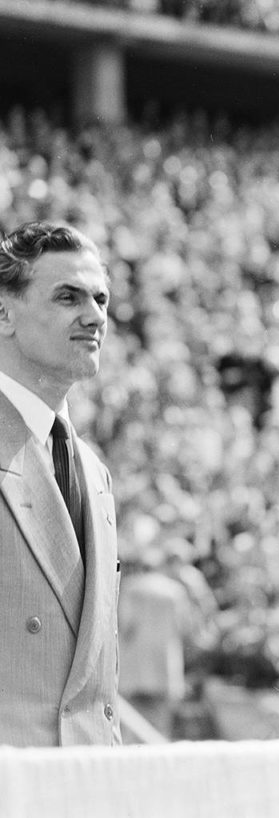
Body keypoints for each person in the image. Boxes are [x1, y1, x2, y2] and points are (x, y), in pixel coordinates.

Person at [0, 221, 121, 747]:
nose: (94, 316)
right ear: (4, 312)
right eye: (67, 296)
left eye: (100, 299)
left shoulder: (93, 473)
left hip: (88, 785)